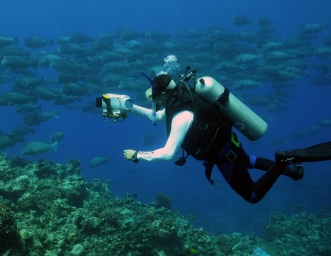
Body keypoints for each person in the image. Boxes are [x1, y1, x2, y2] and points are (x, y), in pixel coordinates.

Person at [123, 72, 306, 204]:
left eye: (155, 100)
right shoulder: (182, 96)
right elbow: (158, 116)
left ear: (163, 95)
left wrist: (137, 155)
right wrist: (130, 107)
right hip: (230, 143)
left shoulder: (181, 116)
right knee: (249, 160)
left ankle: (281, 163)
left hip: (224, 157)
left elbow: (167, 154)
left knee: (252, 196)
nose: (155, 105)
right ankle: (290, 171)